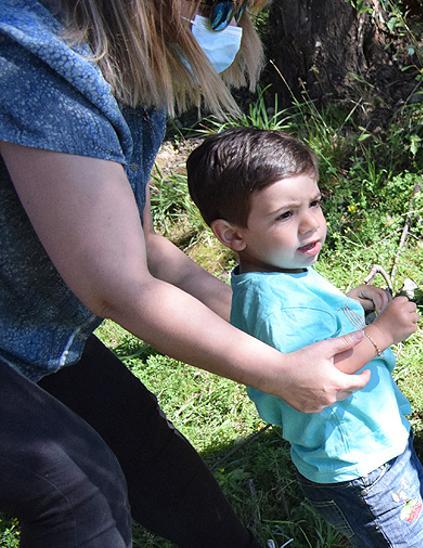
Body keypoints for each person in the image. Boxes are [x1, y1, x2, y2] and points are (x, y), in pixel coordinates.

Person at [0, 1, 372, 545]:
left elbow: (143, 247)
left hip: (26, 325)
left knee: (138, 437)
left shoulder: (124, 73)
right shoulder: (36, 63)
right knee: (77, 493)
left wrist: (279, 321)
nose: (227, 21)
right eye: (217, 4)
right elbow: (118, 288)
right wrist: (278, 373)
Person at [186, 128, 423, 547]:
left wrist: (349, 306)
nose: (310, 223)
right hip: (361, 467)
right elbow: (319, 375)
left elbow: (309, 328)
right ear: (232, 235)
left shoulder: (275, 271)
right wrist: (382, 332)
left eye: (314, 203)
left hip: (368, 452)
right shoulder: (277, 304)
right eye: (285, 215)